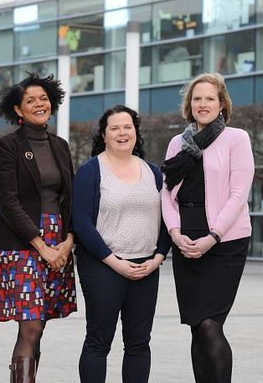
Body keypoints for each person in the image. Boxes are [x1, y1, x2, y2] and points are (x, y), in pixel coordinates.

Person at [0, 73, 77, 382]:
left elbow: (70, 197)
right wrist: (42, 246)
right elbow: (8, 202)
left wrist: (67, 242)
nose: (39, 103)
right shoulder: (6, 146)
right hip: (24, 244)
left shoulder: (60, 146)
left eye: (43, 98)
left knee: (40, 325)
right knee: (31, 325)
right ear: (18, 110)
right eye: (30, 100)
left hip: (58, 242)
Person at [161, 73, 254, 383]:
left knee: (210, 324)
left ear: (221, 103)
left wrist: (213, 237)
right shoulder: (178, 143)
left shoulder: (236, 138)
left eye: (209, 98)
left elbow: (238, 195)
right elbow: (167, 193)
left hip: (225, 243)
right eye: (197, 98)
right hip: (185, 241)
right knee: (196, 325)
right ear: (189, 104)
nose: (202, 104)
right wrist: (175, 233)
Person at [73, 105, 171, 383]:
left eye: (127, 127)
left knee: (139, 343)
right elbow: (81, 222)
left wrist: (159, 257)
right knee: (99, 341)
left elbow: (167, 217)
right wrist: (115, 262)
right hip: (103, 266)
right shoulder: (91, 171)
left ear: (136, 133)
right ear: (104, 135)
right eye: (114, 128)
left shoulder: (153, 172)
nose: (122, 133)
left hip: (146, 268)